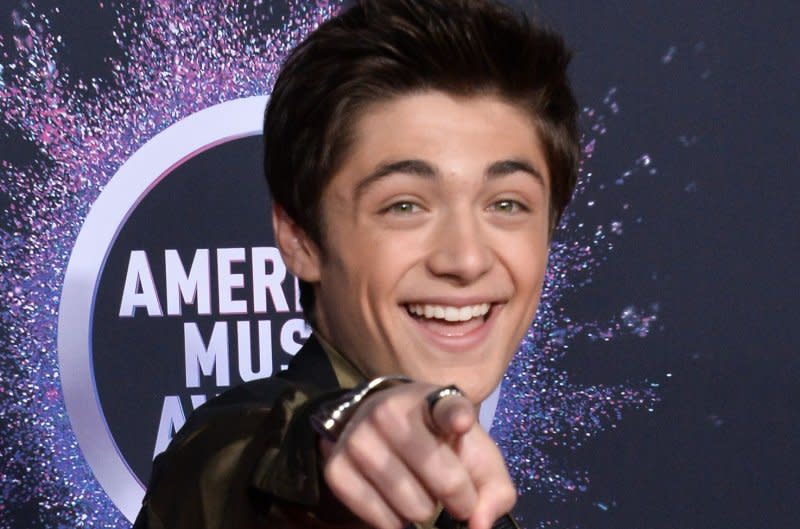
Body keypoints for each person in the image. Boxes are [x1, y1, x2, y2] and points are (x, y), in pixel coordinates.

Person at [133, 0, 579, 528]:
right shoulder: (244, 459)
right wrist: (343, 430)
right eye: (404, 205)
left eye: (506, 204)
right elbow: (256, 463)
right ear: (300, 238)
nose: (466, 258)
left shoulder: (472, 507)